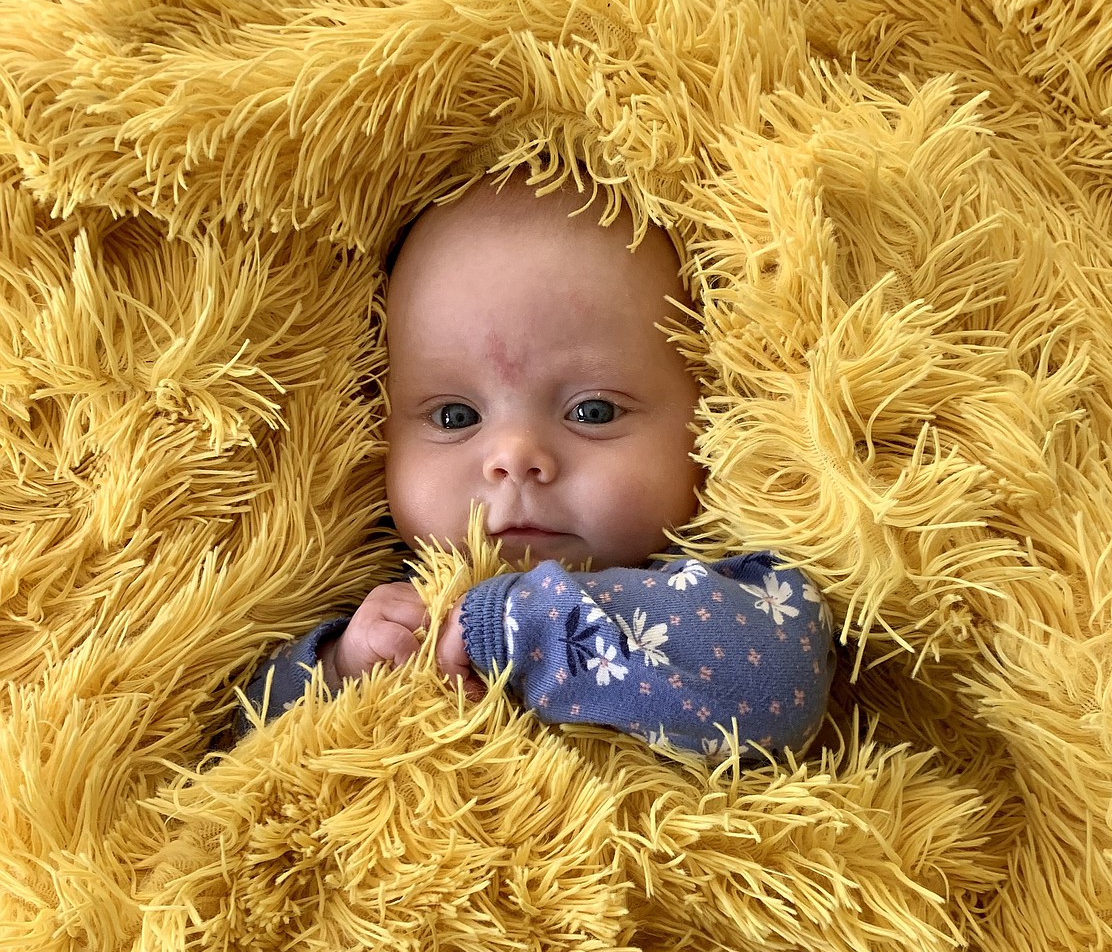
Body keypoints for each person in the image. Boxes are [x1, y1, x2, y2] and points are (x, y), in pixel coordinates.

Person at [235, 174, 835, 762]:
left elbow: (779, 688)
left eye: (592, 411)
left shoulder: (737, 594)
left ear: (708, 419)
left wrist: (507, 627)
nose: (515, 459)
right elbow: (242, 750)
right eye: (453, 416)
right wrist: (340, 666)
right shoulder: (392, 608)